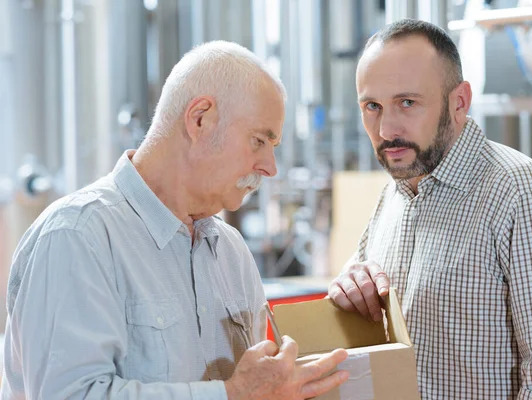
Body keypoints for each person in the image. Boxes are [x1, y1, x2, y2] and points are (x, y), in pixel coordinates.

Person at [1, 41, 348, 399]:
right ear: (200, 119)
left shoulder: (231, 253)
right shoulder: (77, 236)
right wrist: (233, 395)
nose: (270, 168)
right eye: (259, 140)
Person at [328, 19, 532, 399]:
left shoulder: (524, 196)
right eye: (372, 106)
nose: (387, 128)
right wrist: (349, 286)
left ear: (459, 102)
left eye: (407, 102)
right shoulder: (394, 195)